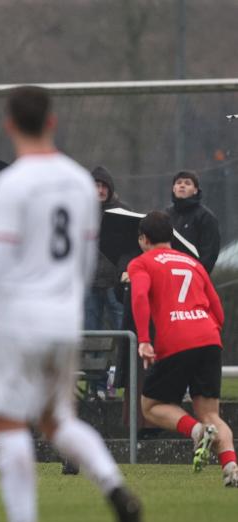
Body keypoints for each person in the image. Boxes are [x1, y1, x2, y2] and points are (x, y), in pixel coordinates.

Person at [0, 85, 142, 522]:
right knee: (57, 419)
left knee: (7, 419)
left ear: (10, 125)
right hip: (63, 317)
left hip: (21, 317)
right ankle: (115, 487)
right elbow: (84, 257)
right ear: (53, 122)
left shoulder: (14, 183)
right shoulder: (81, 182)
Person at [127, 211, 235, 487]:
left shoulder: (141, 263)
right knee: (211, 413)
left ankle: (197, 431)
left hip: (176, 338)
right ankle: (231, 466)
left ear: (143, 239)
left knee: (150, 406)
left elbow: (139, 298)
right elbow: (218, 312)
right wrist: (207, 333)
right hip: (209, 337)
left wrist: (144, 340)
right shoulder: (193, 262)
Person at [84, 166, 129, 401]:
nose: (100, 190)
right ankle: (96, 385)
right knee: (92, 337)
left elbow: (132, 246)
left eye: (103, 186)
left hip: (115, 283)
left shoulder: (123, 213)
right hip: (89, 283)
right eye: (95, 186)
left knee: (124, 334)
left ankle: (126, 382)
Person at [165, 170, 220, 274]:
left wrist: (197, 274)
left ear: (195, 190)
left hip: (193, 275)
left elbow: (210, 252)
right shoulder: (165, 215)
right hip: (167, 274)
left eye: (187, 183)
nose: (182, 185)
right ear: (173, 188)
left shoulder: (205, 217)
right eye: (179, 182)